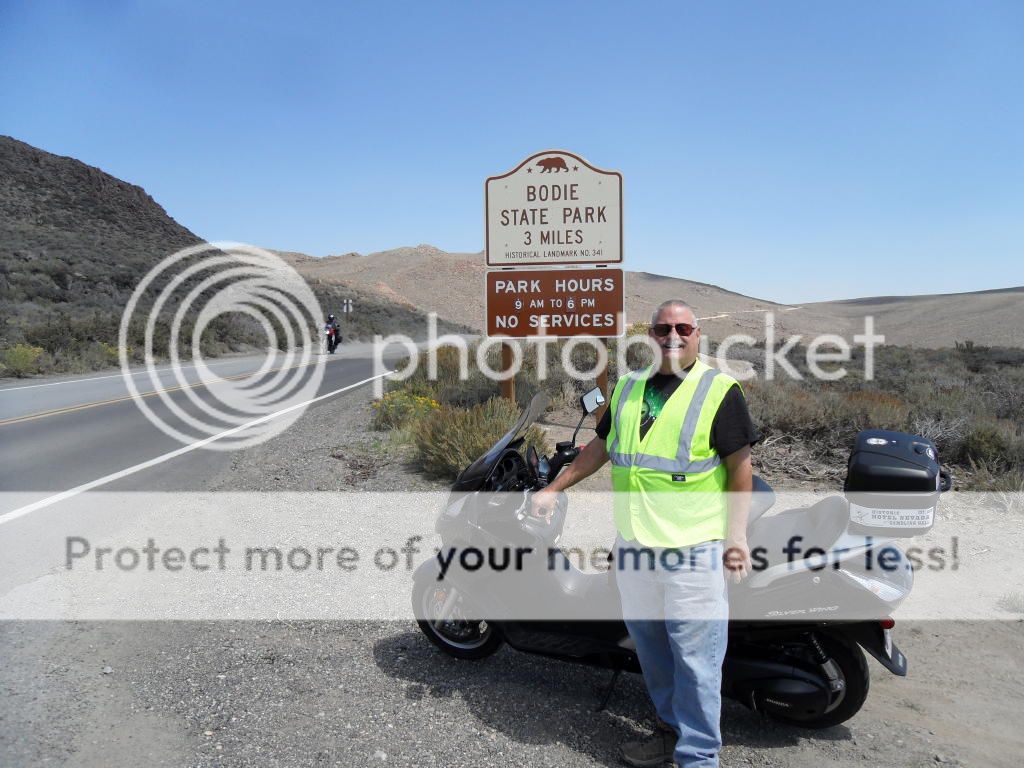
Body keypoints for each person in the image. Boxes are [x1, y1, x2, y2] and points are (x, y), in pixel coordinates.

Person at [531, 299, 759, 768]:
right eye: (661, 328)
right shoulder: (631, 388)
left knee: (697, 662)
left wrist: (736, 538)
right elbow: (603, 448)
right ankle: (669, 733)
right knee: (653, 653)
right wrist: (554, 488)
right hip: (635, 549)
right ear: (649, 336)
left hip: (692, 551)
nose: (672, 336)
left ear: (698, 335)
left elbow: (741, 469)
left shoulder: (719, 390)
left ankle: (698, 758)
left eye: (682, 328)